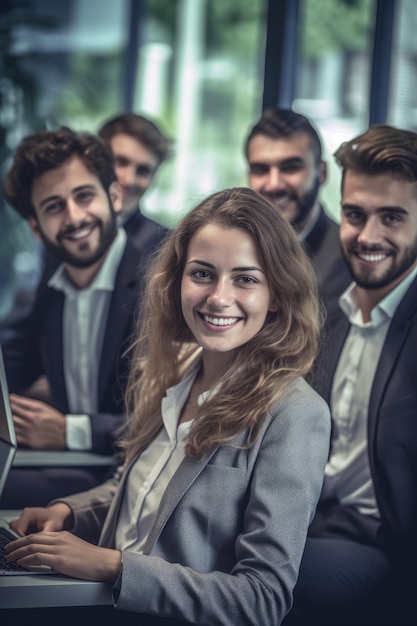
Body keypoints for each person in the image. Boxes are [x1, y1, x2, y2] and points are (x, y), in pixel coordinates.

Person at [5, 187, 331, 626]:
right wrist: (69, 512)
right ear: (176, 280)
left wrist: (112, 565)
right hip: (95, 602)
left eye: (245, 279)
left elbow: (262, 598)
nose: (218, 297)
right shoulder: (176, 373)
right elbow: (141, 495)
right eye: (202, 273)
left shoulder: (295, 413)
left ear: (277, 294)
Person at [285, 125, 417, 626]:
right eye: (355, 215)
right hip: (306, 522)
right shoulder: (323, 316)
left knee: (242, 576)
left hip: (380, 546)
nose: (368, 236)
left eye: (392, 218)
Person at [0, 127, 148, 507]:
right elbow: (10, 371)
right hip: (71, 467)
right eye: (53, 206)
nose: (74, 217)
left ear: (114, 196)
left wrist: (71, 431)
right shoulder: (48, 295)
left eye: (84, 196)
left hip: (136, 474)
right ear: (35, 227)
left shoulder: (159, 285)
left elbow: (174, 418)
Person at [245, 107, 351, 314]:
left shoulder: (350, 260)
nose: (274, 185)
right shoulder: (237, 250)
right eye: (261, 170)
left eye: (290, 167)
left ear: (321, 173)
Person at [98, 112, 171, 254]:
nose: (129, 180)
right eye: (121, 162)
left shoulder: (165, 248)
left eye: (143, 171)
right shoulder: (62, 226)